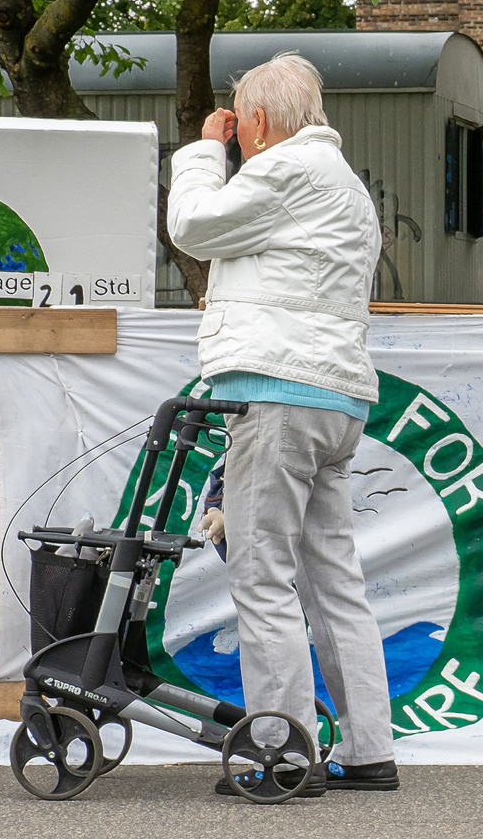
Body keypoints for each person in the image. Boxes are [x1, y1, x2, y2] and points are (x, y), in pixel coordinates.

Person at [167, 52, 397, 799]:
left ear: (256, 123)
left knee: (260, 574)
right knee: (334, 581)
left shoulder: (284, 171)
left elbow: (194, 227)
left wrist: (205, 149)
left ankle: (283, 753)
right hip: (337, 402)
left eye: (241, 122)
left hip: (276, 394)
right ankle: (369, 751)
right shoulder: (348, 189)